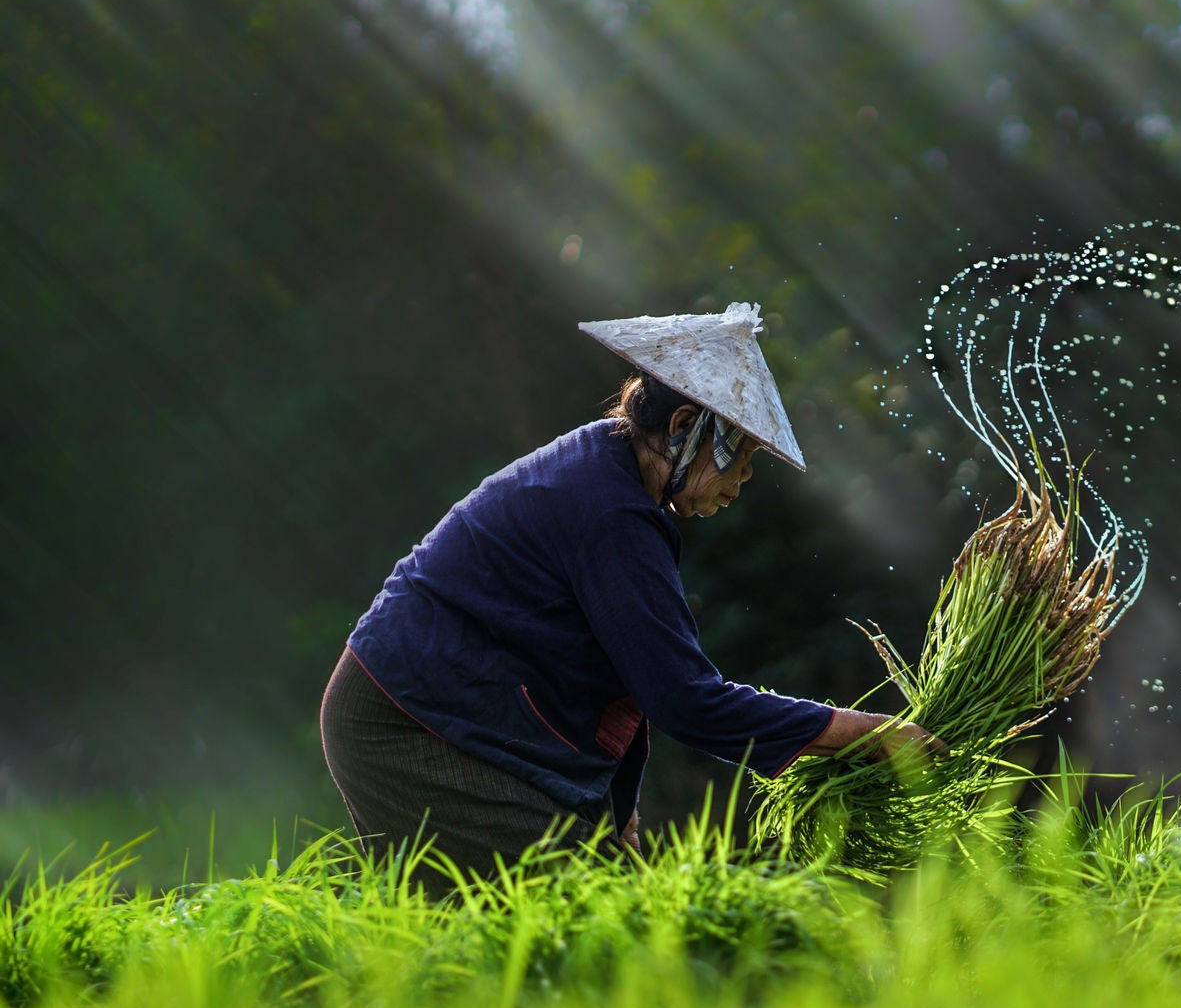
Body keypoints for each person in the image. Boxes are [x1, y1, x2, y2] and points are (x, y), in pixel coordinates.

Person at [319, 302, 940, 887]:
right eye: (740, 455)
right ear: (681, 427)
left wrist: (615, 807)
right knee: (590, 919)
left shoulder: (611, 474)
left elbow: (622, 669)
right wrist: (870, 733)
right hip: (403, 721)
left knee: (546, 927)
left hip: (423, 709)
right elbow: (686, 700)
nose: (743, 480)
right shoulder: (610, 511)